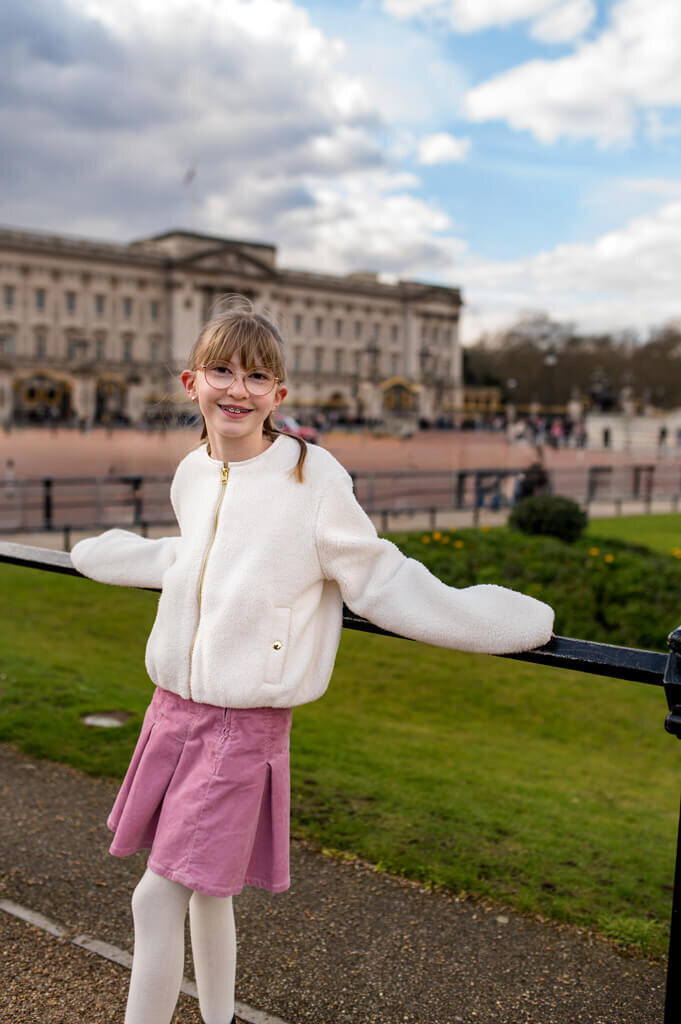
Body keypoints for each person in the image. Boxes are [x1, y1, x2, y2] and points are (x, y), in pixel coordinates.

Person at [71, 295, 554, 1024]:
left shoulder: (312, 477)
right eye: (222, 372)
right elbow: (192, 559)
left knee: (155, 893)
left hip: (242, 723)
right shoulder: (192, 472)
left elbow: (379, 577)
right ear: (190, 382)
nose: (238, 389)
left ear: (278, 394)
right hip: (173, 711)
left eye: (256, 377)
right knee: (205, 892)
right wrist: (102, 553)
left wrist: (499, 620)